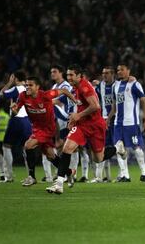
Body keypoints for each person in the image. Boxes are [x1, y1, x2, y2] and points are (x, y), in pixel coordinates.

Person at [46, 64, 119, 194]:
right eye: (67, 75)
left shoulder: (84, 87)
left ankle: (118, 148)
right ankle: (59, 183)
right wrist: (73, 120)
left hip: (96, 125)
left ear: (79, 76)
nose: (69, 78)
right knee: (67, 148)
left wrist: (78, 115)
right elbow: (76, 106)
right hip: (82, 125)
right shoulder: (74, 88)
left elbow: (95, 106)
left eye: (71, 75)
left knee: (98, 158)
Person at [11, 76, 77, 186]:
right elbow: (17, 111)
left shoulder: (46, 95)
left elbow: (65, 91)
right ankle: (69, 172)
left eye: (31, 85)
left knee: (28, 145)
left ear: (37, 87)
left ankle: (31, 177)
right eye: (26, 85)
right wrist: (14, 110)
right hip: (36, 128)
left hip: (48, 128)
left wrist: (74, 100)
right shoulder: (23, 96)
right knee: (50, 156)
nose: (27, 87)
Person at [108, 63, 145, 182]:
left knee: (136, 147)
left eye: (122, 69)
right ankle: (125, 175)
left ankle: (144, 173)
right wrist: (108, 119)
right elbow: (114, 106)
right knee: (119, 148)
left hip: (131, 123)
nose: (119, 72)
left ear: (128, 70)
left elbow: (144, 101)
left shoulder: (135, 84)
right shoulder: (115, 86)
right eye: (118, 70)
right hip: (118, 123)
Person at [0, 71, 32, 183]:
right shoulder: (29, 89)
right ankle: (30, 176)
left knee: (6, 146)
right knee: (26, 148)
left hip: (17, 119)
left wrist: (9, 83)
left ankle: (9, 176)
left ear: (15, 78)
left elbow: (1, 95)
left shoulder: (17, 88)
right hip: (27, 121)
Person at [91, 66, 115, 183]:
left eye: (106, 73)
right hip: (103, 120)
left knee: (116, 147)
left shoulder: (119, 85)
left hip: (116, 120)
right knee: (104, 148)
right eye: (103, 73)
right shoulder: (100, 86)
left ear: (112, 74)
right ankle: (103, 177)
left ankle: (123, 175)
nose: (104, 75)